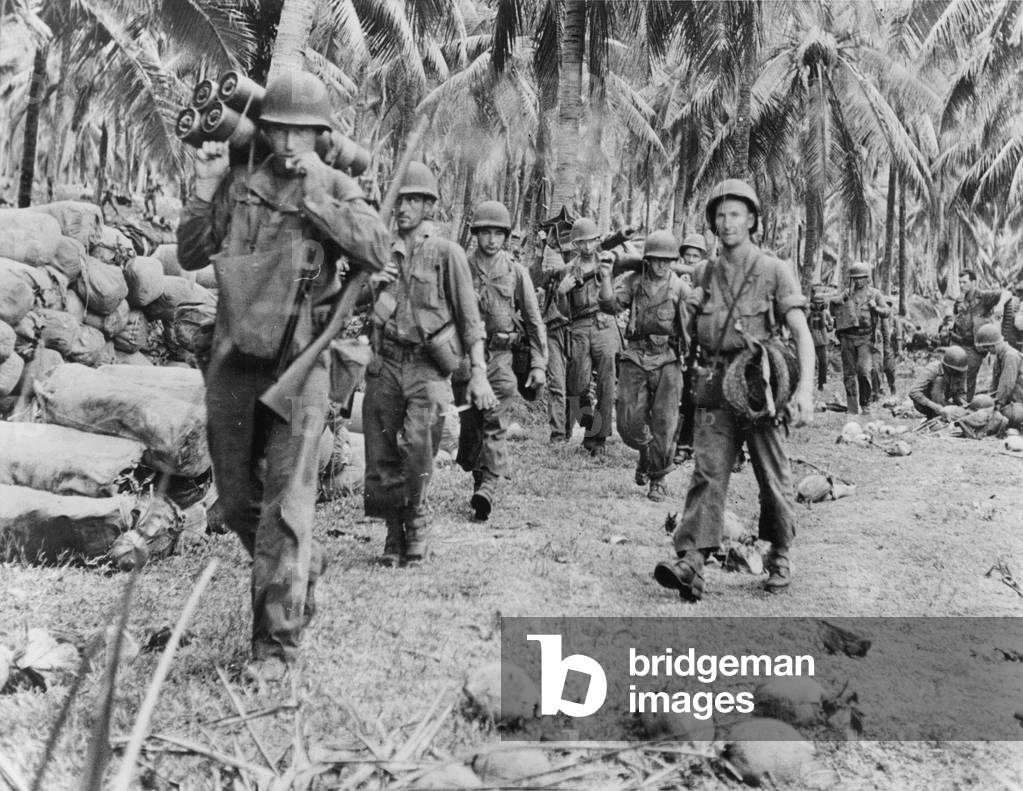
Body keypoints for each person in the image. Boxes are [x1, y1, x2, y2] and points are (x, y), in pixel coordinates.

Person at [177, 71, 391, 683]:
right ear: (265, 129)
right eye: (280, 129)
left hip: (301, 365)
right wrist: (207, 181)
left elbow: (376, 250)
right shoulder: (240, 183)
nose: (290, 141)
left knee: (286, 508)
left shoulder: (336, 184)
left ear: (321, 136)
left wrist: (318, 199)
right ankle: (300, 565)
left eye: (303, 131)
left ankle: (275, 646)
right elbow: (192, 251)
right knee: (238, 502)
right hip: (235, 359)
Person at [653, 179, 814, 602]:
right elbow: (694, 332)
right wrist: (689, 313)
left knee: (773, 478)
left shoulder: (774, 270)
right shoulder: (706, 272)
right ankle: (692, 562)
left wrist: (805, 393)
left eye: (736, 214)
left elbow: (801, 333)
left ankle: (779, 553)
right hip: (714, 387)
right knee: (707, 473)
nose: (727, 223)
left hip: (759, 388)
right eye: (720, 216)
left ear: (753, 219)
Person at [362, 162, 496, 566]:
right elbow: (352, 304)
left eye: (411, 200)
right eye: (398, 199)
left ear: (427, 205)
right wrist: (370, 281)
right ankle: (392, 532)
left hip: (427, 367)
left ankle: (416, 519)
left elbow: (470, 318)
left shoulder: (446, 253)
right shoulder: (380, 252)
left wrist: (478, 374)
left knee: (419, 447)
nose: (402, 207)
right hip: (385, 362)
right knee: (382, 449)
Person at [454, 201, 547, 519]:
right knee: (472, 430)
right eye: (485, 232)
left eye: (497, 233)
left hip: (503, 358)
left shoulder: (516, 272)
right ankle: (481, 481)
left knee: (495, 423)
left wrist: (538, 364)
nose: (491, 239)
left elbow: (534, 321)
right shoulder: (461, 268)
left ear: (505, 236)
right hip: (467, 359)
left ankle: (488, 489)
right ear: (476, 233)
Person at [614, 230, 690, 501]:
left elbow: (694, 321)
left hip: (667, 359)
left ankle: (658, 478)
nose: (661, 266)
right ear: (647, 260)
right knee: (627, 421)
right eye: (656, 260)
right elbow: (611, 305)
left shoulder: (680, 288)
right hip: (635, 356)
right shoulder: (634, 282)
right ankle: (645, 451)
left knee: (665, 422)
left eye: (667, 260)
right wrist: (606, 275)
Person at [555, 217, 621, 455]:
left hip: (605, 324)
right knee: (576, 386)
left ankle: (598, 440)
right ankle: (590, 425)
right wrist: (562, 293)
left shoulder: (607, 262)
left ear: (597, 241)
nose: (586, 246)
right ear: (575, 244)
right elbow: (563, 314)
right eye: (581, 242)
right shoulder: (567, 270)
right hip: (580, 328)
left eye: (591, 241)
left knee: (606, 383)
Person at [830, 262, 889, 414]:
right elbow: (833, 309)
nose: (857, 281)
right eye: (855, 278)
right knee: (849, 374)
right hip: (847, 338)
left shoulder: (875, 294)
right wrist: (838, 300)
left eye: (861, 278)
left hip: (865, 338)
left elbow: (886, 312)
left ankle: (865, 404)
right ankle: (852, 406)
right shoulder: (847, 293)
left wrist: (875, 307)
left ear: (867, 278)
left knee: (863, 371)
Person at [950, 270, 1010, 400]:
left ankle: (966, 406)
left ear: (973, 282)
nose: (961, 285)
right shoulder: (959, 300)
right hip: (957, 343)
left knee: (968, 378)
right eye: (959, 282)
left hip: (974, 347)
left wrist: (1000, 305)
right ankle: (955, 405)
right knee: (954, 375)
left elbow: (1007, 293)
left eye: (964, 282)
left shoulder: (984, 297)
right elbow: (956, 318)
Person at [976, 324, 1023, 429]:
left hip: (1018, 403)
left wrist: (996, 406)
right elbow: (994, 384)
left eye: (987, 347)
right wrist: (988, 401)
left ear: (994, 344)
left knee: (1006, 415)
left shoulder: (1011, 356)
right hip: (1010, 400)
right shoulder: (999, 357)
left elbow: (1006, 386)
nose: (987, 350)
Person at [909, 345, 968, 418]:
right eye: (953, 370)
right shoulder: (933, 369)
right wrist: (936, 407)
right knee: (939, 380)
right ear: (946, 366)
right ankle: (935, 416)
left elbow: (960, 393)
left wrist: (963, 404)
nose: (957, 373)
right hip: (926, 404)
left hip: (943, 402)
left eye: (958, 371)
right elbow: (913, 391)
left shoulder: (961, 371)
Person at [807, 287, 833, 391]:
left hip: (822, 340)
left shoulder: (826, 313)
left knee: (823, 362)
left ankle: (821, 383)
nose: (818, 305)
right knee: (810, 362)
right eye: (816, 303)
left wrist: (827, 325)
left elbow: (831, 327)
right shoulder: (809, 314)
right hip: (811, 340)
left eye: (820, 303)